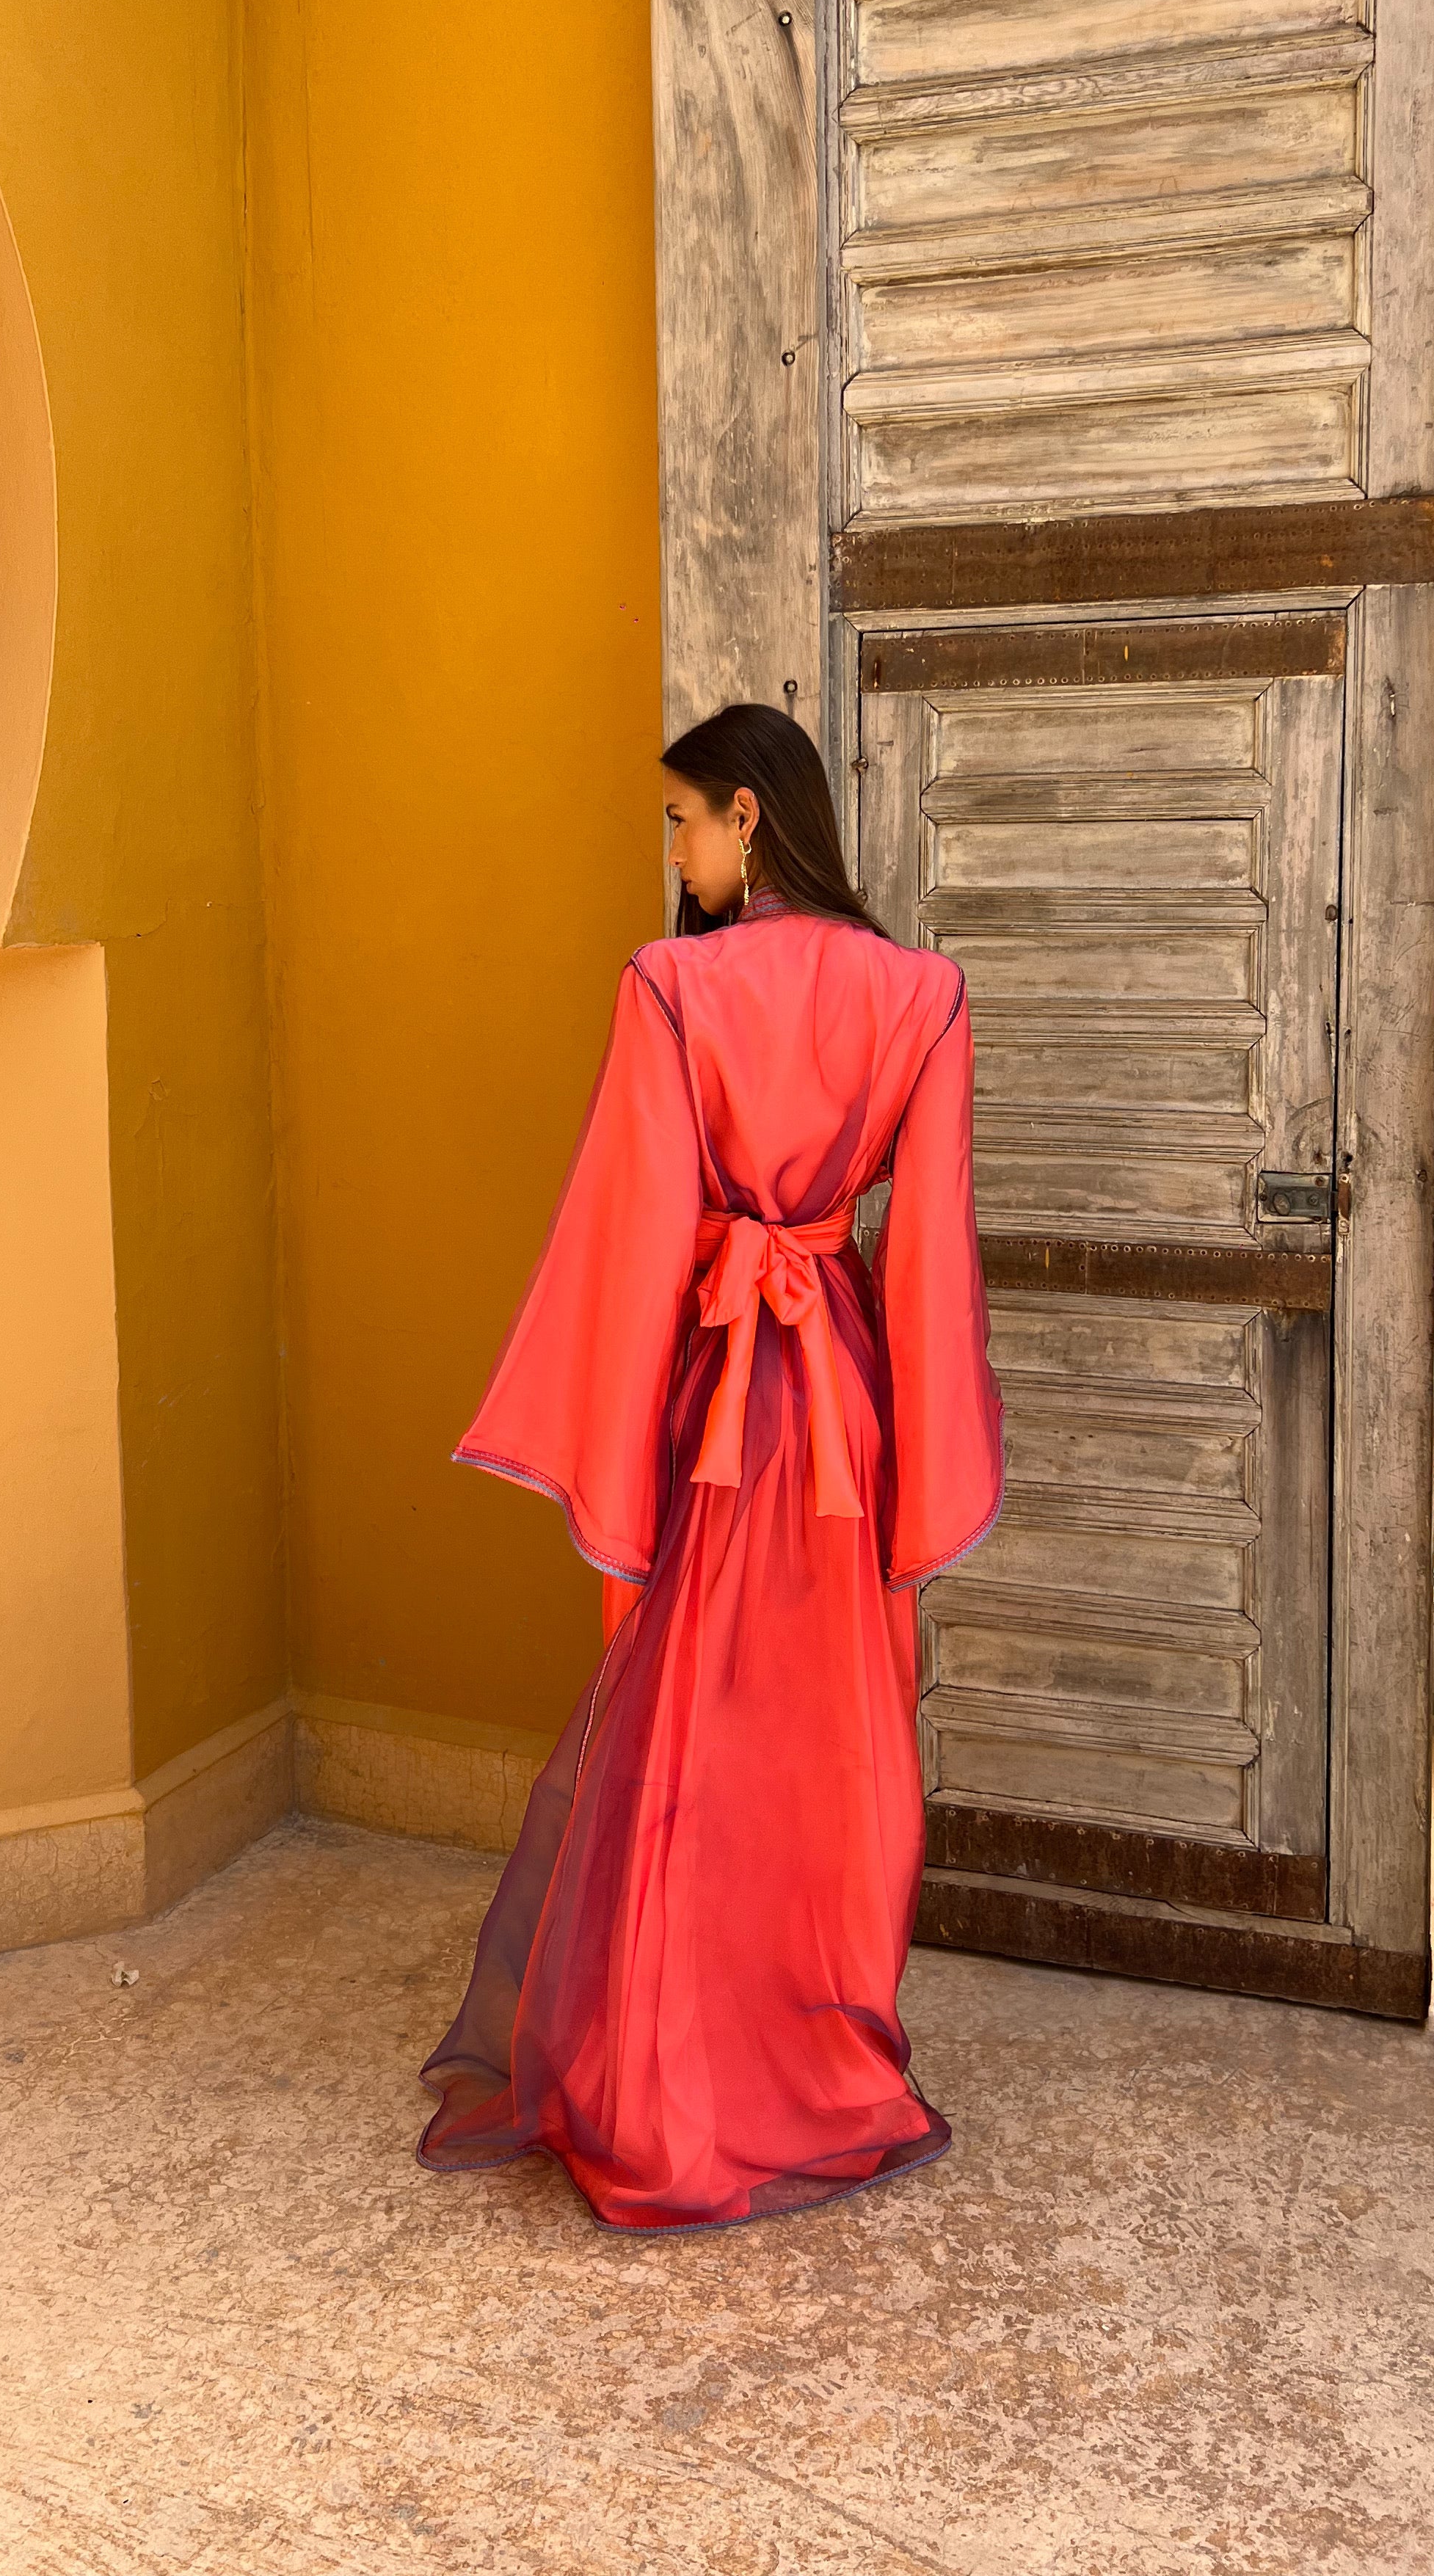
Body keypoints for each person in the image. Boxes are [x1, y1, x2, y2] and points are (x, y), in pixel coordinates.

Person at [418, 702, 1003, 2231]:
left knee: (684, 1747)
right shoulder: (924, 997)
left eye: (681, 819)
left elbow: (627, 1243)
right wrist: (929, 1469)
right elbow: (931, 1257)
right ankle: (823, 2065)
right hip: (848, 1416)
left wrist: (608, 1458)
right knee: (831, 1749)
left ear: (749, 817)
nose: (671, 852)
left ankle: (670, 2092)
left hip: (712, 1413)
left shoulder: (669, 989)